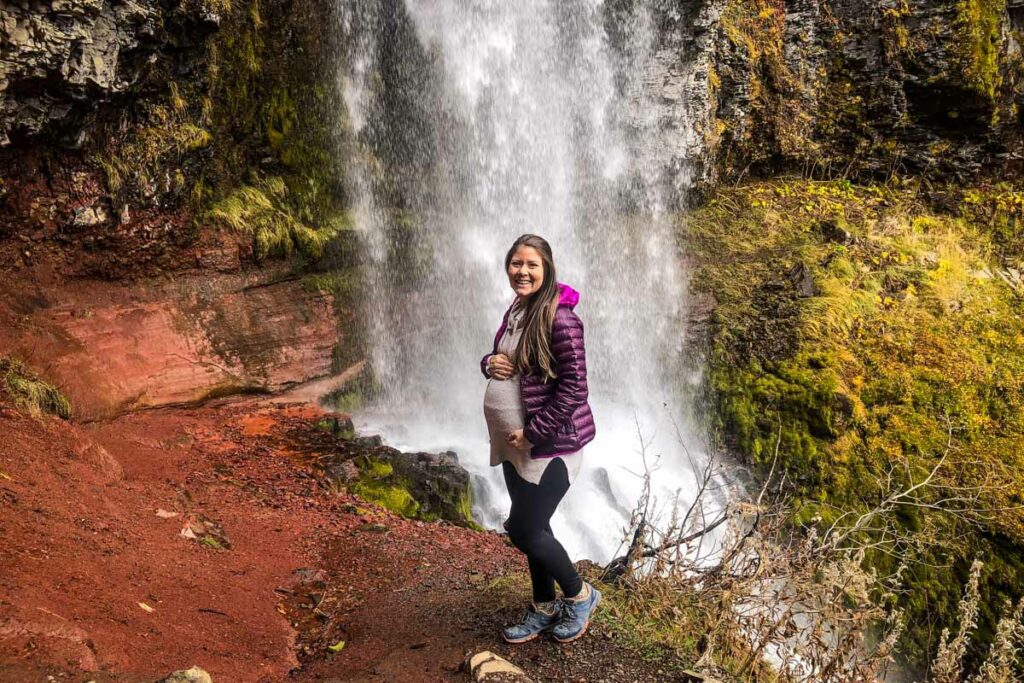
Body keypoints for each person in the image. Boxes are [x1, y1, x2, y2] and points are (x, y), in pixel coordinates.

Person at [481, 233, 600, 644]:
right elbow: (505, 359)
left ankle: (580, 594)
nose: (523, 271)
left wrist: (533, 432)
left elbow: (574, 389)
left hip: (550, 447)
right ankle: (543, 607)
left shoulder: (561, 318)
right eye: (516, 263)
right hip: (516, 446)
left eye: (532, 264)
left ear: (547, 268)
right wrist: (488, 363)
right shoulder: (518, 309)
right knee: (537, 526)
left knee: (523, 529)